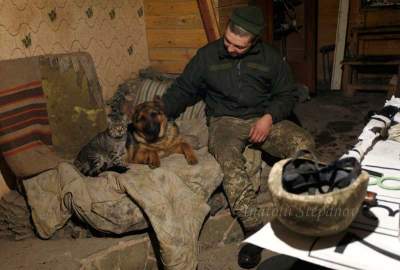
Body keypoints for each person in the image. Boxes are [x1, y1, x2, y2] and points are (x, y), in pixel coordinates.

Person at [161, 6, 315, 269]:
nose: (231, 49)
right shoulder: (207, 56)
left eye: (239, 47)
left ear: (254, 41)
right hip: (225, 121)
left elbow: (287, 94)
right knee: (229, 162)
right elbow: (183, 90)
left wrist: (268, 117)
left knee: (305, 145)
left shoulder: (270, 58)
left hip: (262, 117)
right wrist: (158, 114)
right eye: (228, 42)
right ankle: (254, 232)